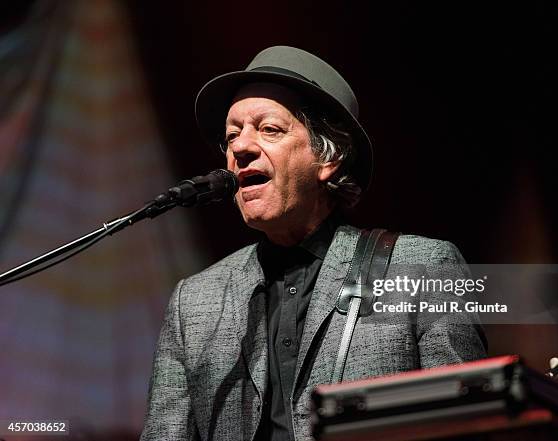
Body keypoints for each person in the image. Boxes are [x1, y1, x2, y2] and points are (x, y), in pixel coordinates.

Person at [141, 46, 487, 441]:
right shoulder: (194, 302)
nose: (239, 148)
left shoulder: (421, 267)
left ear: (329, 157)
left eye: (269, 129)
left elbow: (465, 426)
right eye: (231, 136)